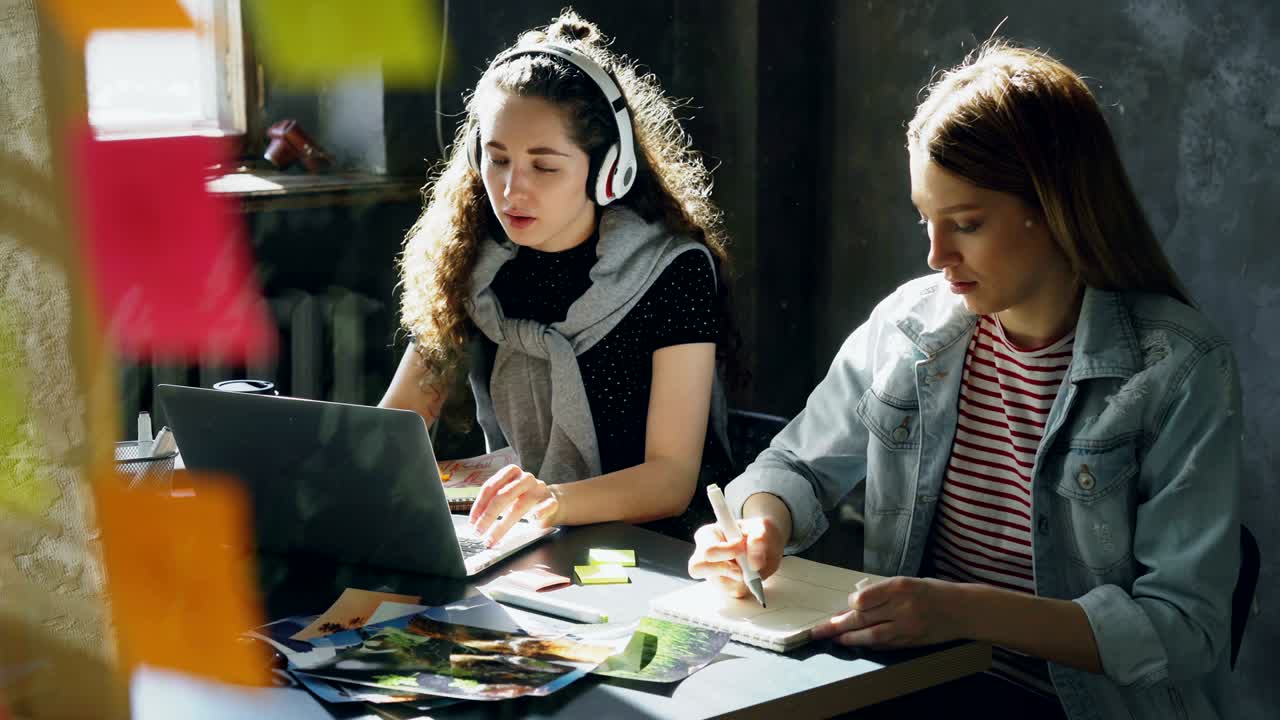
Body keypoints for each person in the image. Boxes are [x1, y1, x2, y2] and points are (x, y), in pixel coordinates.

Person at [687, 40, 1242, 719]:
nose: (935, 254)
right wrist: (760, 526)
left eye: (967, 224)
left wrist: (964, 612)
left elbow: (1184, 627)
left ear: (1056, 205)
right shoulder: (909, 327)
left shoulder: (1180, 366)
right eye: (926, 219)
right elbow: (794, 465)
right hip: (910, 686)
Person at [380, 11, 739, 546]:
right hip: (526, 540)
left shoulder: (672, 269)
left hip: (669, 549)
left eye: (544, 167)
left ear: (608, 169)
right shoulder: (468, 260)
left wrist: (552, 501)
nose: (511, 190)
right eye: (497, 160)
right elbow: (397, 422)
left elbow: (670, 480)